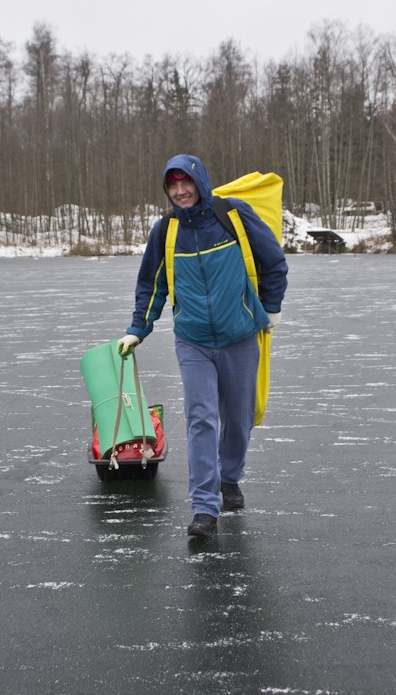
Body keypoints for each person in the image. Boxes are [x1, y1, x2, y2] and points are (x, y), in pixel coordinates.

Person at [117, 154, 288, 537]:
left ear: (199, 181)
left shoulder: (233, 216)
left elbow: (274, 262)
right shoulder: (166, 231)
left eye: (185, 183)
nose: (180, 192)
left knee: (239, 418)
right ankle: (204, 508)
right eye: (172, 186)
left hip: (241, 336)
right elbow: (151, 284)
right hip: (192, 340)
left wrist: (271, 309)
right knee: (200, 417)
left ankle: (230, 476)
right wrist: (137, 328)